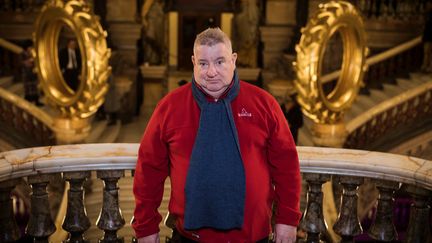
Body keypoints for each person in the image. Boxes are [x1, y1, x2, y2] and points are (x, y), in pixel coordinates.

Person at [133, 28, 301, 243]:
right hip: (190, 237)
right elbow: (149, 170)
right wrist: (146, 227)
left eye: (220, 62)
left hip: (253, 236)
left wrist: (287, 219)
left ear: (234, 60)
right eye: (203, 63)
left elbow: (287, 167)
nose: (211, 72)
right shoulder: (169, 107)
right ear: (193, 62)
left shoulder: (264, 104)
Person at [21, 41, 42, 106]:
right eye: (30, 47)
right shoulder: (22, 54)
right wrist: (28, 62)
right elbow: (21, 63)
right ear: (26, 47)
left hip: (33, 72)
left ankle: (36, 101)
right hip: (27, 73)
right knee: (28, 88)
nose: (31, 48)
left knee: (35, 88)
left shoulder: (32, 53)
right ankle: (28, 101)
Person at [421, 2, 432, 72]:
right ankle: (425, 66)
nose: (428, 6)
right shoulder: (427, 14)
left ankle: (430, 67)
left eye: (429, 4)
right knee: (426, 52)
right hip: (427, 37)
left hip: (431, 36)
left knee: (430, 53)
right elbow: (425, 27)